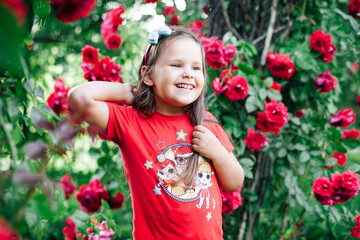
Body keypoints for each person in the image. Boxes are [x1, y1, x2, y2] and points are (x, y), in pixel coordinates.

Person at [68, 25, 244, 240]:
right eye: (176, 65)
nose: (188, 73)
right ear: (148, 75)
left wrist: (218, 153)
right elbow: (79, 98)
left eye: (196, 68)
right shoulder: (130, 122)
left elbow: (234, 182)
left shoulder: (206, 123)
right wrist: (126, 91)